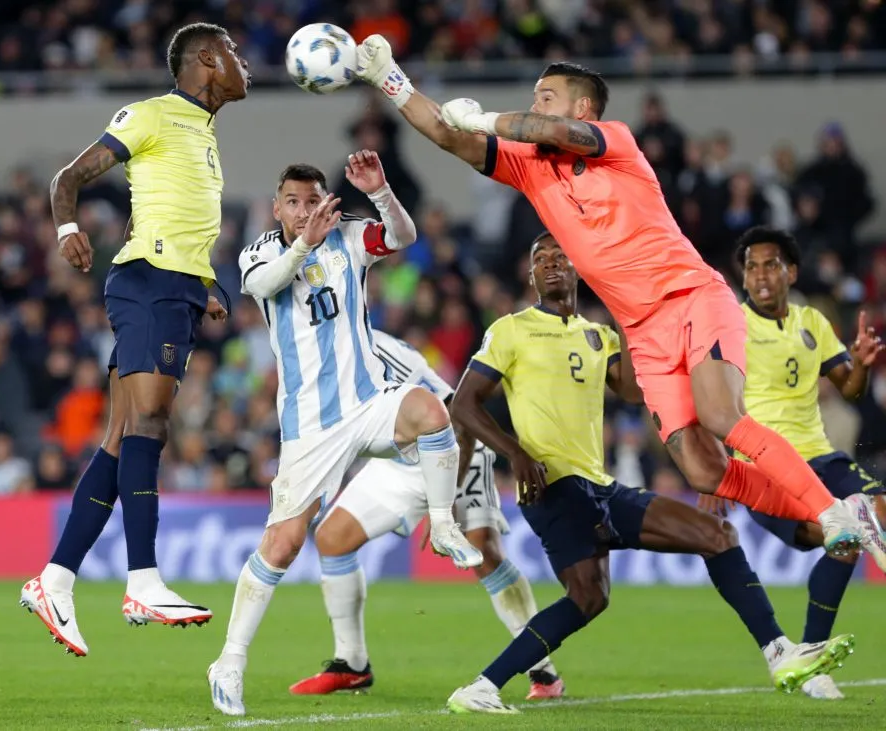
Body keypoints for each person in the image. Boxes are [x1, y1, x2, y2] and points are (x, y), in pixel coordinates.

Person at [351, 38, 873, 560]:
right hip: (643, 332)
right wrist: (389, 79)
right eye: (535, 96)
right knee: (702, 467)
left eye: (547, 95)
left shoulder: (613, 142)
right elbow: (447, 134)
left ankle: (830, 512)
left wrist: (487, 119)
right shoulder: (531, 167)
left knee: (720, 416)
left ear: (583, 108)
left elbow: (551, 131)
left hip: (691, 297)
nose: (537, 105)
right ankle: (834, 509)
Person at [443, 233, 855, 714]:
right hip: (552, 487)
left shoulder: (598, 335)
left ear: (578, 271)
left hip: (597, 484)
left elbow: (638, 392)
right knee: (589, 596)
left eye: (561, 256)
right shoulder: (510, 330)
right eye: (540, 259)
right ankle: (483, 686)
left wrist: (627, 313)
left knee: (709, 538)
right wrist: (513, 453)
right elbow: (464, 404)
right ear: (530, 276)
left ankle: (778, 652)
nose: (552, 263)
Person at [207, 154, 481, 716]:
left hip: (368, 402)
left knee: (432, 410)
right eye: (293, 202)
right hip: (310, 425)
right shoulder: (259, 251)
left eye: (313, 201)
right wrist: (305, 243)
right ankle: (230, 661)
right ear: (278, 206)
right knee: (283, 544)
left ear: (326, 202)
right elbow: (268, 283)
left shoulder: (350, 237)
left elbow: (402, 236)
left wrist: (381, 193)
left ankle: (445, 523)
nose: (304, 211)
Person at [19, 22, 251, 657]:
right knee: (150, 424)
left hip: (175, 287)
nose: (243, 63)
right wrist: (67, 226)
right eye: (233, 52)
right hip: (147, 283)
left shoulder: (203, 132)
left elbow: (180, 223)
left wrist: (205, 283)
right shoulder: (151, 115)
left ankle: (56, 578)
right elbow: (68, 176)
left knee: (124, 440)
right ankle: (143, 580)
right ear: (207, 60)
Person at [288, 329, 563, 701]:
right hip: (397, 464)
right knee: (332, 539)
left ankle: (542, 672)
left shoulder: (376, 349)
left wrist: (444, 502)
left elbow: (458, 416)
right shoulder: (319, 358)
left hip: (452, 451)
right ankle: (351, 664)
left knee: (484, 554)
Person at [697, 226, 886, 700]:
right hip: (763, 468)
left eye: (771, 264)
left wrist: (861, 364)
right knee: (840, 537)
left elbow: (849, 389)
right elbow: (709, 399)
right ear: (743, 277)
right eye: (752, 266)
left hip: (821, 456)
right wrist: (710, 469)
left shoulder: (813, 322)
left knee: (869, 520)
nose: (760, 275)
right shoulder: (731, 328)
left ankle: (814, 660)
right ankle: (815, 652)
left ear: (791, 272)